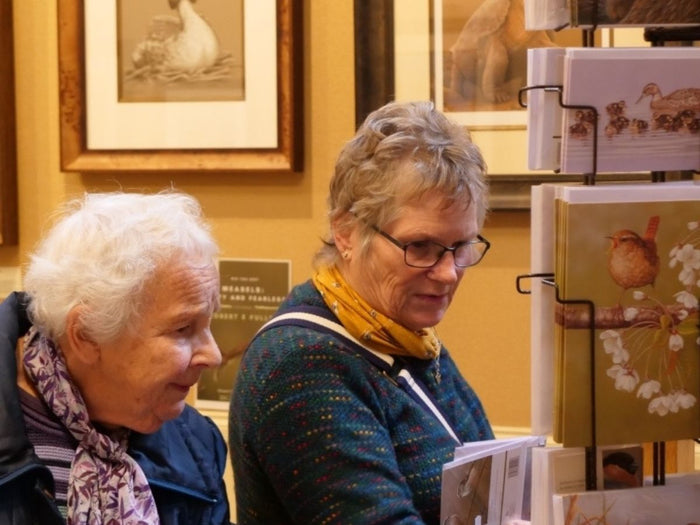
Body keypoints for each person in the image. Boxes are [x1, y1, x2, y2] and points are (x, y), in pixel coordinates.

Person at [229, 100, 495, 524]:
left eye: (461, 246)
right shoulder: (301, 366)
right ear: (346, 232)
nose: (448, 273)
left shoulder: (406, 337)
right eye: (420, 246)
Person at [0, 191, 232, 524]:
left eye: (209, 323)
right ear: (86, 335)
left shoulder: (196, 446)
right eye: (183, 328)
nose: (213, 355)